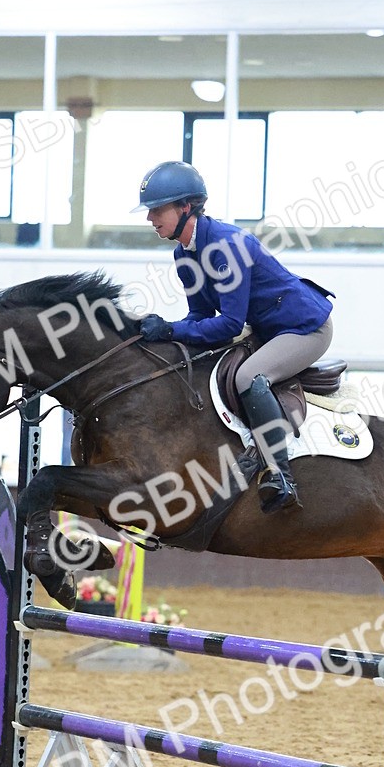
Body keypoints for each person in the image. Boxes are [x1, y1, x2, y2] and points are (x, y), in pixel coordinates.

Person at [134, 161, 334, 514]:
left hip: (305, 328)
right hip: (267, 331)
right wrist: (166, 335)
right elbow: (199, 316)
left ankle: (279, 474)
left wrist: (171, 329)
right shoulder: (183, 254)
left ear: (186, 207)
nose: (150, 218)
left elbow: (228, 325)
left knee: (248, 377)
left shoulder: (226, 245)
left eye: (157, 209)